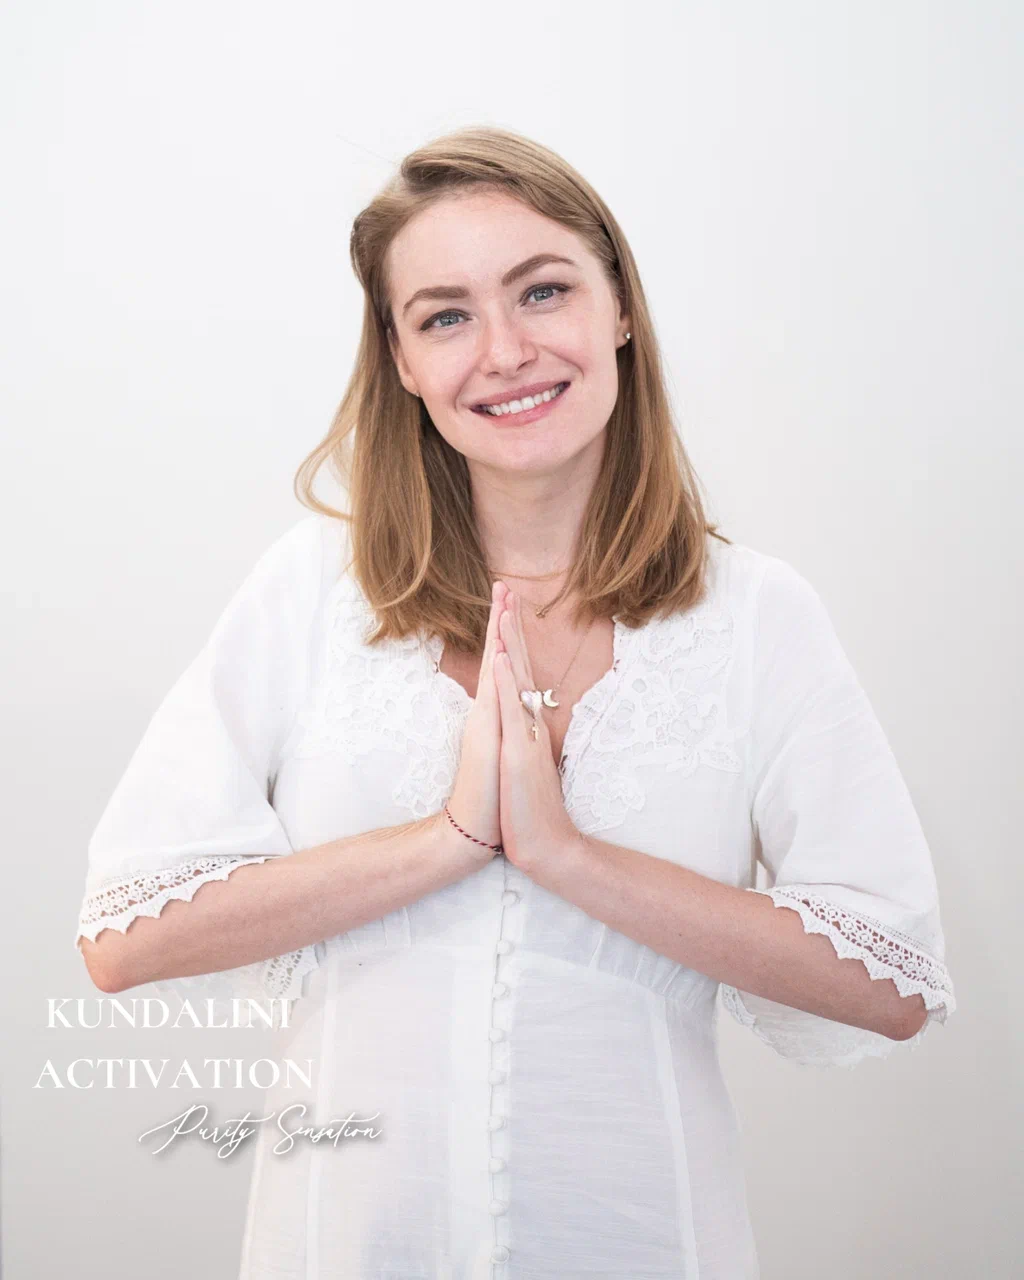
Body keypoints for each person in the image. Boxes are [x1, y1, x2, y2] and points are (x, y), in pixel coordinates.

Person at [75, 125, 956, 1279]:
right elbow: (123, 935)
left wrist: (567, 855)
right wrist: (446, 839)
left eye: (542, 290)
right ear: (398, 358)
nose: (503, 350)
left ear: (620, 307)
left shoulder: (756, 615)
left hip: (643, 1237)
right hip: (345, 1244)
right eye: (444, 314)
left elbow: (891, 974)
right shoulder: (307, 593)